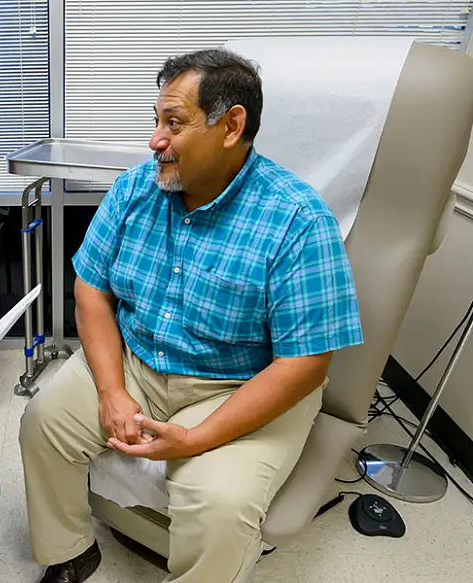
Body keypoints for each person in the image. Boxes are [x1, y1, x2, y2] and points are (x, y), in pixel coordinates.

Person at [19, 48, 363, 583]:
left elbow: (305, 364)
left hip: (237, 382)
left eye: (173, 124)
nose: (154, 140)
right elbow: (91, 290)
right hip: (137, 357)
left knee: (219, 503)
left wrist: (198, 438)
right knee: (45, 424)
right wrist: (111, 391)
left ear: (231, 126)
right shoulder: (134, 189)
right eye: (156, 121)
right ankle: (70, 551)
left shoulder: (298, 221)